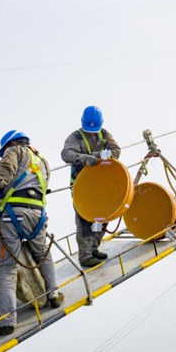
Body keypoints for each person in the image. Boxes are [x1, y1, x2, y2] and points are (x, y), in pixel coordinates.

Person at [0, 130, 61, 337]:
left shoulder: (14, 152)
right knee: (42, 254)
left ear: (9, 144)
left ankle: (7, 321)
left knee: (6, 269)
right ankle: (53, 294)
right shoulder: (43, 162)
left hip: (13, 216)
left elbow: (5, 172)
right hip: (38, 216)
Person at [61, 105, 122, 267]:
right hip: (82, 186)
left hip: (101, 186)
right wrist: (85, 158)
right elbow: (66, 154)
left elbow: (116, 150)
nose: (93, 132)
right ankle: (85, 255)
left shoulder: (104, 134)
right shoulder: (75, 137)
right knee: (85, 220)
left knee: (103, 217)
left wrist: (106, 156)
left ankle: (94, 248)